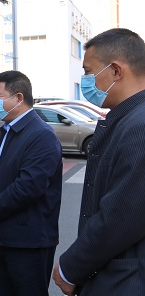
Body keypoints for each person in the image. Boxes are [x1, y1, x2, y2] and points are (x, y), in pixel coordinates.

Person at [53, 28, 145, 296]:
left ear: (115, 71)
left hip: (126, 280)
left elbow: (120, 217)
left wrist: (71, 268)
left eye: (88, 71)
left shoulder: (139, 126)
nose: (85, 80)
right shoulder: (127, 118)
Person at [0, 70, 62, 296]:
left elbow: (28, 187)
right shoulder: (6, 130)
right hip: (3, 235)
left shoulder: (41, 135)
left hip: (28, 242)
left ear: (19, 98)